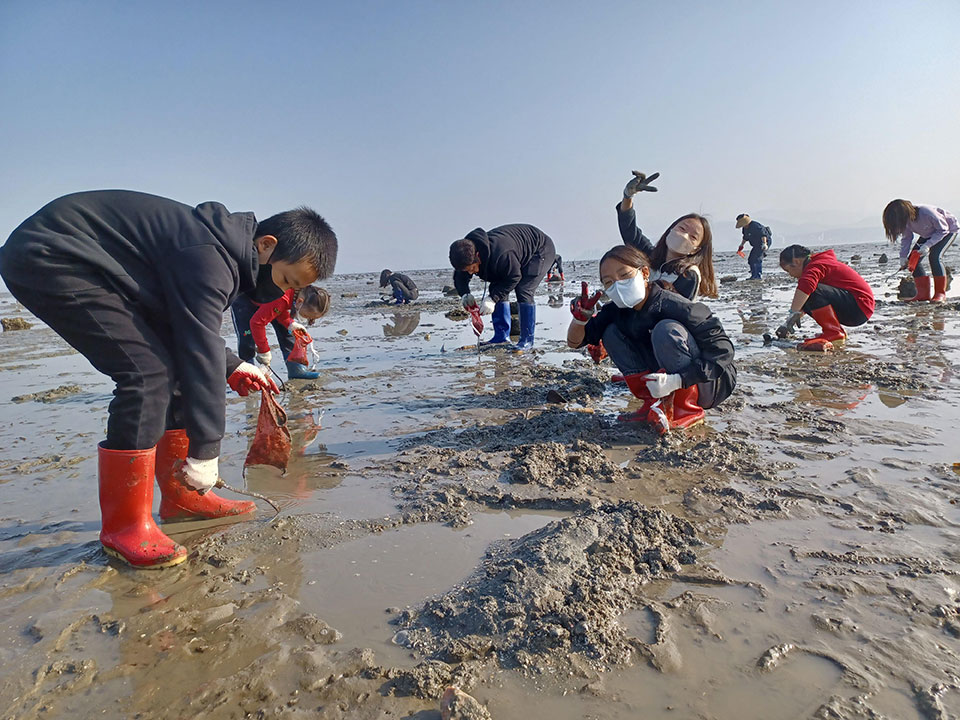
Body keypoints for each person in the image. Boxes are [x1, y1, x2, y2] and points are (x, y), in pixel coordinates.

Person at [0, 191, 338, 568]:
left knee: (167, 367)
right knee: (145, 374)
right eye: (284, 278)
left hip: (94, 265)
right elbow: (197, 347)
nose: (280, 292)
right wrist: (206, 451)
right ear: (266, 246)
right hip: (49, 256)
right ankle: (125, 526)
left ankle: (182, 500)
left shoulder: (219, 253)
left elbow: (186, 330)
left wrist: (232, 364)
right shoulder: (210, 258)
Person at [567, 245, 736, 433]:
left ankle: (685, 409)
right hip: (662, 383)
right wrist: (580, 319)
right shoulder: (615, 311)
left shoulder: (675, 305)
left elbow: (724, 350)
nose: (618, 285)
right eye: (609, 282)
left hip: (709, 383)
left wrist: (678, 380)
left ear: (645, 273)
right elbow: (575, 342)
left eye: (624, 275)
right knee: (610, 332)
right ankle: (652, 402)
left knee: (666, 330)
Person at [449, 224, 556, 350]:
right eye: (466, 270)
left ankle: (527, 340)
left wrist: (493, 299)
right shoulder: (464, 254)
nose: (471, 273)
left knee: (524, 289)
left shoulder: (501, 254)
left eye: (472, 268)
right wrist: (465, 294)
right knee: (497, 283)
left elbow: (514, 277)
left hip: (540, 249)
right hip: (515, 254)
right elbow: (460, 277)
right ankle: (501, 337)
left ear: (478, 256)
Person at [617, 170, 718, 301]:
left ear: (696, 249)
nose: (684, 235)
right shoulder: (651, 256)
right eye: (682, 228)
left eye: (693, 237)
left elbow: (673, 307)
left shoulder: (689, 274)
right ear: (670, 229)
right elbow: (629, 230)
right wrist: (628, 196)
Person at [776, 245, 874, 351]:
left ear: (796, 262)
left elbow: (806, 286)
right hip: (858, 307)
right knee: (805, 297)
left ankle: (834, 333)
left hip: (859, 306)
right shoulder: (819, 262)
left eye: (788, 270)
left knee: (810, 291)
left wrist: (792, 314)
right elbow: (806, 299)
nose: (790, 275)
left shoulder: (816, 265)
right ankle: (837, 331)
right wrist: (791, 321)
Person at [246, 285, 331, 380]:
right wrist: (264, 350)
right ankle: (247, 375)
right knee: (246, 336)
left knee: (287, 333)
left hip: (271, 303)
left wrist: (289, 323)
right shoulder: (282, 297)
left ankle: (295, 369)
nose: (307, 319)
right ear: (299, 302)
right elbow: (257, 323)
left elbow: (279, 309)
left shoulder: (294, 293)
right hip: (247, 299)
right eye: (307, 316)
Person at [882, 199, 957, 302]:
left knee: (934, 257)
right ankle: (923, 295)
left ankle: (940, 293)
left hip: (947, 231)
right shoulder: (905, 221)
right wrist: (903, 257)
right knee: (913, 261)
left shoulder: (926, 213)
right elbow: (907, 238)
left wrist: (927, 245)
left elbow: (943, 230)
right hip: (928, 234)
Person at [736, 214, 772, 280]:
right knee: (751, 259)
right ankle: (753, 274)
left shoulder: (755, 226)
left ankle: (758, 276)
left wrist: (764, 244)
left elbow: (763, 234)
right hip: (756, 245)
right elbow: (745, 237)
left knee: (757, 258)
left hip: (763, 242)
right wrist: (741, 245)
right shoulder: (745, 228)